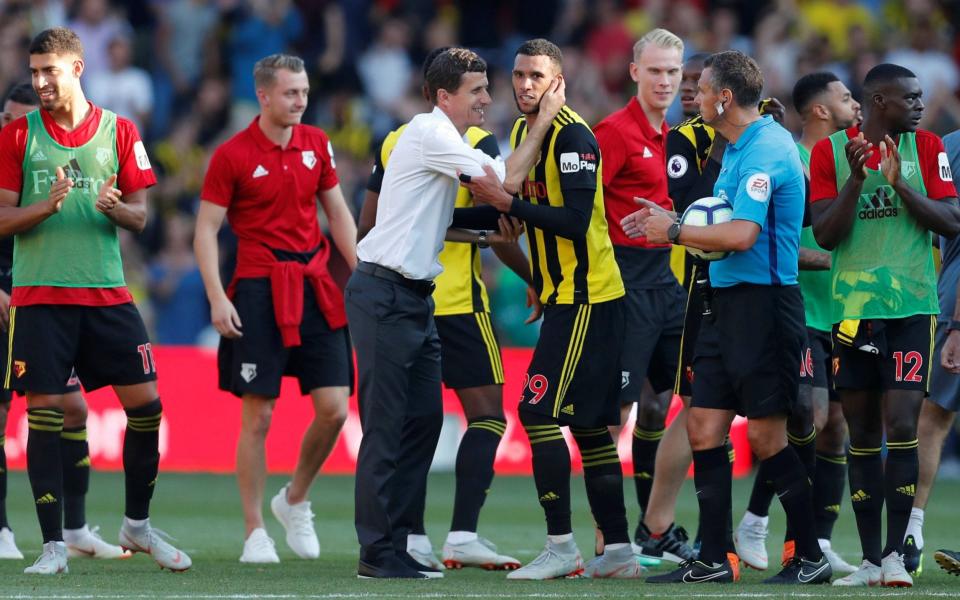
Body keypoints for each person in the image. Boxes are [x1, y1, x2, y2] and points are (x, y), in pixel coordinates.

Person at [347, 47, 564, 579]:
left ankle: (400, 542)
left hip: (413, 296)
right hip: (385, 294)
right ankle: (376, 553)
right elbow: (504, 186)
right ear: (444, 97)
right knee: (385, 428)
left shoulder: (433, 141)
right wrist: (542, 126)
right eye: (477, 91)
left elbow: (439, 218)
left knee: (421, 423)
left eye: (488, 88)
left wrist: (488, 233)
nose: (488, 99)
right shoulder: (431, 134)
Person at [626, 50, 831, 585]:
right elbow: (720, 228)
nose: (692, 96)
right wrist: (670, 219)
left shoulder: (767, 149)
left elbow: (742, 236)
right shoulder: (739, 147)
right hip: (722, 305)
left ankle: (810, 556)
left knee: (766, 440)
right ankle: (713, 559)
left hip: (765, 308)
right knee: (703, 426)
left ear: (725, 97)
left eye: (702, 88)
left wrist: (672, 233)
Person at [0, 26, 190, 574]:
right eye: (35, 72)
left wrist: (114, 207)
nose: (40, 82)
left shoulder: (121, 131)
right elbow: (2, 216)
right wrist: (44, 207)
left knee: (147, 408)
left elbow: (140, 215)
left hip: (107, 295)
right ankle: (54, 546)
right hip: (40, 298)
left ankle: (137, 525)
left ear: (77, 69)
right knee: (44, 414)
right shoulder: (17, 137)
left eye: (50, 71)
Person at [464, 38, 640, 580]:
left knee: (538, 413)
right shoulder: (524, 131)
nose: (524, 85)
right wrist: (537, 271)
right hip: (564, 295)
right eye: (518, 75)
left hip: (589, 299)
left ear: (557, 82)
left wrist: (514, 207)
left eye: (536, 76)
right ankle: (618, 553)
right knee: (588, 428)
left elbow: (572, 218)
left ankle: (562, 546)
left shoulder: (576, 137)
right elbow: (506, 191)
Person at [194, 53, 356, 564]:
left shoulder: (317, 143)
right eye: (290, 93)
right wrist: (218, 297)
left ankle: (295, 500)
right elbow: (204, 231)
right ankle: (254, 531)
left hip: (313, 283)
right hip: (259, 291)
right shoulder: (232, 154)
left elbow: (339, 215)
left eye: (304, 91)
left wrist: (365, 274)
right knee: (259, 416)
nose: (301, 101)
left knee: (333, 409)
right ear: (263, 96)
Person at [810, 63, 960, 587]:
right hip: (853, 312)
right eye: (911, 98)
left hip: (913, 307)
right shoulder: (829, 154)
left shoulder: (931, 149)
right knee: (863, 434)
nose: (921, 106)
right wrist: (857, 181)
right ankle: (871, 559)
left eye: (920, 98)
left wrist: (899, 187)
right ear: (878, 101)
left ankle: (896, 557)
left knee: (902, 428)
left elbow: (951, 220)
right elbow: (826, 235)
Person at [734, 72, 861, 576]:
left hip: (845, 314)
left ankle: (819, 544)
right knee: (810, 418)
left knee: (837, 430)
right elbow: (775, 243)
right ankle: (757, 519)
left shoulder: (853, 161)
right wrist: (840, 264)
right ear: (820, 110)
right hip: (799, 311)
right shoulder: (790, 160)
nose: (855, 103)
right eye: (846, 96)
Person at [0, 82, 130, 563]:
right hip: (11, 297)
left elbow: (80, 214)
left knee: (73, 411)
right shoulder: (5, 157)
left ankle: (73, 529)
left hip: (43, 301)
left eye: (22, 119)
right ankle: (3, 528)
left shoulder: (64, 161)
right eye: (7, 117)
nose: (14, 127)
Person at [592, 28, 686, 550]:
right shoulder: (614, 132)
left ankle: (653, 530)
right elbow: (583, 207)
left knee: (672, 404)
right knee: (616, 415)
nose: (666, 81)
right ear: (634, 72)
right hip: (624, 287)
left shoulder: (677, 136)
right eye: (655, 70)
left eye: (673, 71)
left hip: (666, 284)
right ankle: (609, 539)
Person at [900, 128, 960, 576]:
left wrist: (956, 323)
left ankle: (909, 532)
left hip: (952, 294)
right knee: (933, 415)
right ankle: (909, 532)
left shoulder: (944, 145)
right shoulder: (944, 145)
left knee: (933, 414)